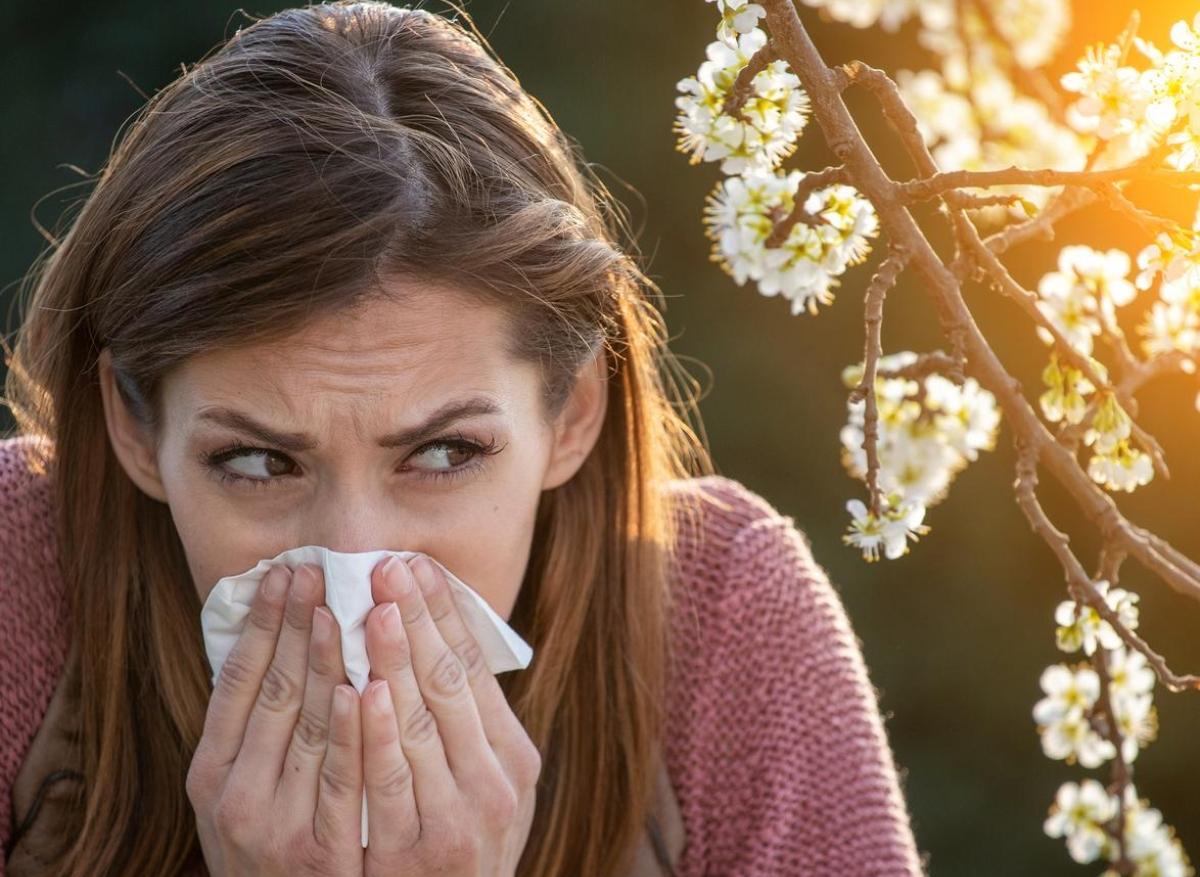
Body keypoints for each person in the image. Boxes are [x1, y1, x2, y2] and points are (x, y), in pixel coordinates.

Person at [0, 2, 926, 874]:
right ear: (132, 427)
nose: (355, 562)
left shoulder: (721, 610)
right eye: (256, 461)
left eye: (444, 454)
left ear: (571, 416)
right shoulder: (23, 573)